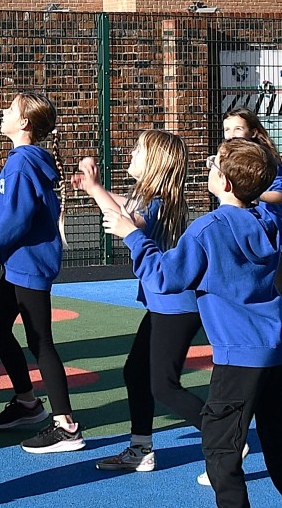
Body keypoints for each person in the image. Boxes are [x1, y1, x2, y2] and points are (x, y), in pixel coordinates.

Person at [107, 138, 282, 508]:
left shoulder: (207, 229)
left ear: (226, 183)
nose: (208, 169)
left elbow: (163, 278)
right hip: (278, 351)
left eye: (214, 166)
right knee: (280, 442)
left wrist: (133, 237)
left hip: (239, 358)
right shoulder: (268, 221)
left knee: (221, 451)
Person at [0, 92, 84, 454]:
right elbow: (16, 216)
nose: (3, 111)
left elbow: (17, 219)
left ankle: (66, 425)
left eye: (10, 109)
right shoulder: (24, 160)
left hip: (28, 264)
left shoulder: (23, 163)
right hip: (19, 262)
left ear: (24, 123)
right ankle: (27, 403)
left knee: (41, 341)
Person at [73, 131, 205, 473]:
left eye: (138, 149)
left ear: (156, 162)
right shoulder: (156, 197)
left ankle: (224, 435)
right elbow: (126, 207)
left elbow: (129, 221)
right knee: (136, 372)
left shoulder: (160, 201)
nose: (130, 152)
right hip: (164, 305)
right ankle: (140, 448)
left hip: (176, 308)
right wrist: (94, 187)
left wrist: (95, 190)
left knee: (164, 385)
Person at [224, 108, 282, 355]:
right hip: (240, 230)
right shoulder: (226, 160)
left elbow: (279, 195)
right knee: (245, 284)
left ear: (253, 132)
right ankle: (256, 332)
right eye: (227, 129)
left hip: (269, 231)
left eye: (237, 128)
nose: (231, 134)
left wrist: (251, 192)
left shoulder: (267, 160)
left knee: (279, 283)